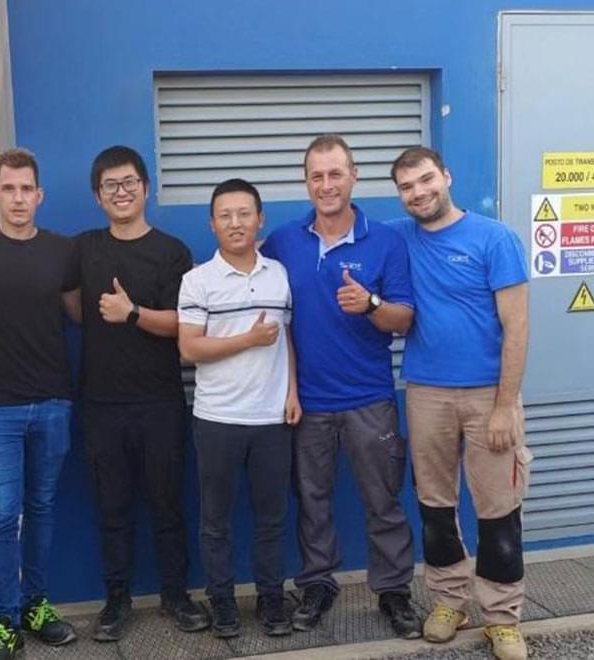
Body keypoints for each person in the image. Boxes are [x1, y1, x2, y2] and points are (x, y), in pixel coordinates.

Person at [258, 134, 421, 638]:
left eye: (335, 174)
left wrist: (370, 305)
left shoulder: (386, 241)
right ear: (306, 182)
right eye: (316, 176)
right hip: (307, 403)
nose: (326, 185)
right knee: (312, 502)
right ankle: (317, 585)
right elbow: (249, 276)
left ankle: (393, 592)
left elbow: (404, 318)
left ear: (353, 176)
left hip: (370, 400)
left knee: (383, 502)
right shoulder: (283, 241)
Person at [390, 146, 531, 660]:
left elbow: (517, 326)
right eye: (407, 187)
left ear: (446, 177)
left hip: (488, 395)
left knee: (498, 510)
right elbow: (344, 235)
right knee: (434, 505)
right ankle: (449, 601)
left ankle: (502, 617)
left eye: (426, 180)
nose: (419, 193)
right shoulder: (399, 236)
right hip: (426, 392)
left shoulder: (495, 238)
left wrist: (505, 406)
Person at [73, 145, 210, 641]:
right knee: (112, 509)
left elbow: (182, 324)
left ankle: (176, 596)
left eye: (129, 182)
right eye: (110, 185)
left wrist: (131, 313)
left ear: (146, 187)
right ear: (98, 196)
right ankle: (116, 601)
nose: (121, 192)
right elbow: (53, 283)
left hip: (159, 402)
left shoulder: (172, 252)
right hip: (102, 404)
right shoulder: (83, 248)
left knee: (169, 505)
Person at [0, 148, 79, 660]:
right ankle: (4, 622)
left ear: (40, 195)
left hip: (53, 402)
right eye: (9, 188)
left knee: (43, 508)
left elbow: (80, 315)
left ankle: (36, 606)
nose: (19, 198)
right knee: (4, 514)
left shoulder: (62, 251)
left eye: (27, 188)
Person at [176, 178, 300, 639]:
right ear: (212, 224)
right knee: (216, 521)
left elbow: (287, 339)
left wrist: (293, 393)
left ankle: (271, 598)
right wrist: (248, 339)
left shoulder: (279, 274)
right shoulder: (197, 281)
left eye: (244, 213)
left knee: (272, 519)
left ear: (259, 219)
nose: (235, 223)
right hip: (218, 420)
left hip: (272, 419)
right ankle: (223, 601)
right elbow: (190, 348)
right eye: (225, 215)